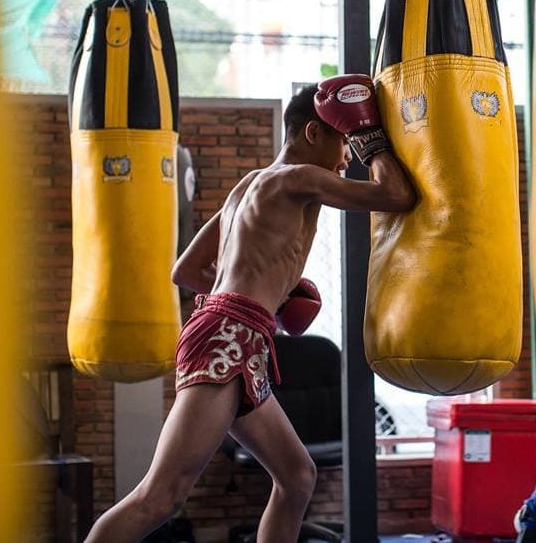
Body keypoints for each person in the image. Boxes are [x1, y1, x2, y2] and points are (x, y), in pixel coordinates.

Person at [85, 74, 417, 542]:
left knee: (297, 477)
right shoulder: (301, 178)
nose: (347, 159)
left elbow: (187, 271)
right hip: (228, 337)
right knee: (161, 497)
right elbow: (396, 196)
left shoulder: (247, 187)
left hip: (235, 333)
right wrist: (371, 137)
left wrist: (271, 294)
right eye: (344, 142)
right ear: (313, 132)